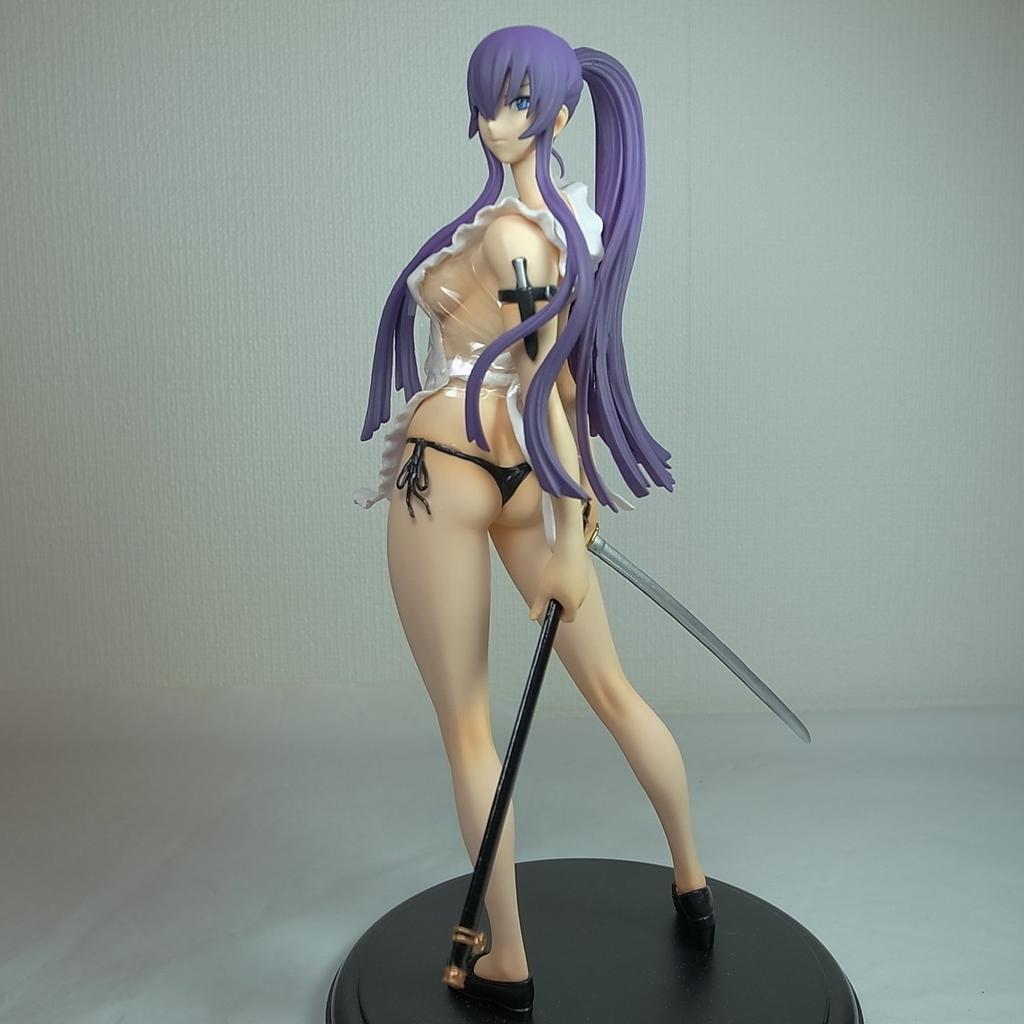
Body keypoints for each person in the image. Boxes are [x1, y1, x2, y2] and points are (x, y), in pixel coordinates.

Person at [354, 25, 714, 1016]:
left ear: (556, 115)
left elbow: (543, 378)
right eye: (486, 100)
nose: (493, 119)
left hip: (447, 472)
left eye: (515, 102)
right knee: (612, 689)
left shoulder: (516, 238)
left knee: (471, 729)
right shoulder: (558, 230)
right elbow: (551, 387)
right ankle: (692, 884)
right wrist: (569, 511)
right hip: (521, 473)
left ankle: (505, 961)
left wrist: (568, 541)